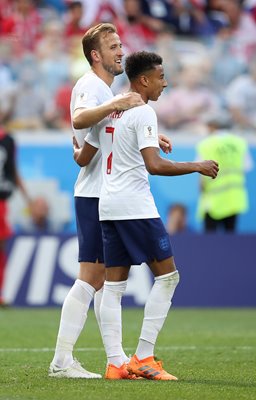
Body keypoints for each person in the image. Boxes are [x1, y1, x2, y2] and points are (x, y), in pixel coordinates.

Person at [74, 50, 219, 380]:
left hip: (107, 206)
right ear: (144, 80)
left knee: (113, 287)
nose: (164, 84)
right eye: (161, 77)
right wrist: (196, 165)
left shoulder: (111, 109)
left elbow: (83, 158)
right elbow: (154, 165)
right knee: (168, 277)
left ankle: (115, 364)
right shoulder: (142, 112)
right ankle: (143, 356)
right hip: (135, 206)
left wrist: (74, 147)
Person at [48, 23, 170, 380]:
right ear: (96, 55)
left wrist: (146, 133)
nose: (121, 51)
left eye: (121, 44)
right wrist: (118, 103)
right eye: (113, 46)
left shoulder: (106, 89)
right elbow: (79, 118)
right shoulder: (91, 86)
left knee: (107, 281)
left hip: (105, 192)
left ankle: (116, 360)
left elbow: (91, 147)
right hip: (95, 193)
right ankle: (62, 360)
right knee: (92, 277)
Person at [196, 113, 253, 232]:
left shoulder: (207, 144)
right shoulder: (239, 143)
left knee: (210, 242)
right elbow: (247, 166)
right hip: (234, 198)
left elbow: (199, 169)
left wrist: (201, 188)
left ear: (213, 126)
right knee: (230, 240)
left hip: (213, 200)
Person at [0, 127, 31, 306]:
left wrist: (28, 199)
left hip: (2, 201)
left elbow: (13, 170)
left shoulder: (8, 140)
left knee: (2, 248)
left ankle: (1, 293)